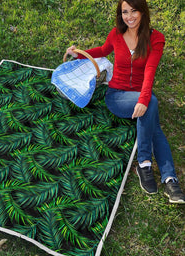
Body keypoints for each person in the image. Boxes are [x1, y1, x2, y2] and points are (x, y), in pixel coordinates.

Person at [66, 0, 185, 204]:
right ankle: (148, 165)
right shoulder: (116, 34)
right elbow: (103, 50)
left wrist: (143, 99)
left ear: (143, 11)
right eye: (125, 12)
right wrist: (79, 55)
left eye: (134, 11)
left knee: (152, 118)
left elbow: (150, 71)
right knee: (152, 108)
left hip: (140, 93)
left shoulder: (156, 39)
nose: (129, 16)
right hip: (117, 95)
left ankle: (167, 177)